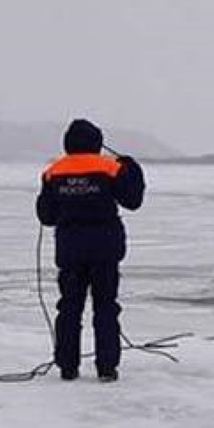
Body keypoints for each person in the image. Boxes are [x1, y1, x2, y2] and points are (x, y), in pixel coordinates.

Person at [36, 118, 145, 382]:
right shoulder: (111, 168)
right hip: (105, 247)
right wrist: (133, 169)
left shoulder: (53, 172)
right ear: (98, 143)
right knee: (106, 307)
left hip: (70, 249)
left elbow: (46, 216)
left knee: (69, 307)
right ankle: (107, 368)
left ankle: (68, 366)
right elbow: (133, 200)